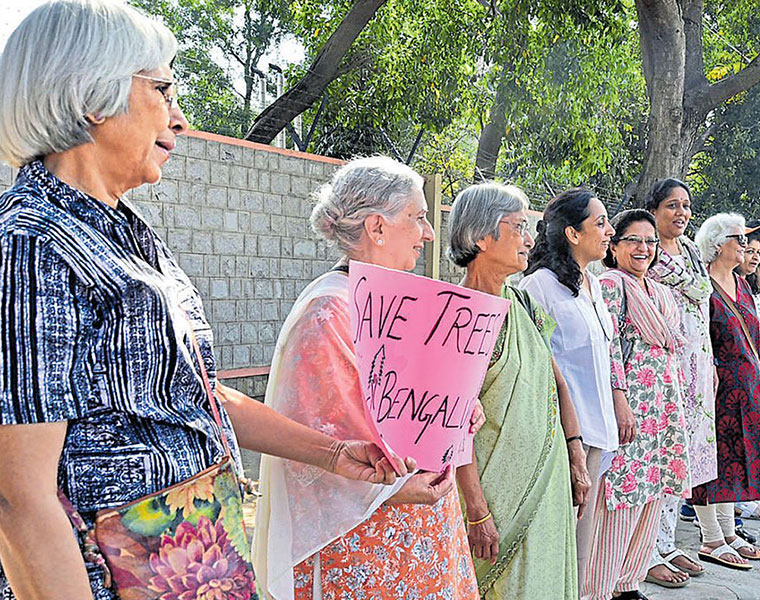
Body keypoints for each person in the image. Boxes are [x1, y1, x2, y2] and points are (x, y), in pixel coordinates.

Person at [0, 3, 410, 599]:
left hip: (195, 554)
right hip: (116, 573)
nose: (180, 117)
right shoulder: (33, 245)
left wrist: (333, 453)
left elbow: (192, 396)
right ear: (93, 97)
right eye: (162, 89)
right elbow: (17, 495)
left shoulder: (126, 234)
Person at [253, 157, 482, 600]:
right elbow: (312, 451)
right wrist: (396, 487)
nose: (429, 233)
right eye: (418, 218)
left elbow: (418, 407)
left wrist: (458, 411)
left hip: (423, 537)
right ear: (377, 228)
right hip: (363, 550)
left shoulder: (408, 301)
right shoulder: (330, 312)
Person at [448, 182, 591, 599]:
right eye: (517, 227)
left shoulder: (523, 304)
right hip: (491, 498)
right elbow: (452, 422)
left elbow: (557, 384)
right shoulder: (456, 316)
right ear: (480, 237)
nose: (530, 240)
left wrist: (575, 452)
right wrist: (476, 512)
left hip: (546, 484)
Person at [585, 209, 691, 600]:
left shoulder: (661, 291)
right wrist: (620, 400)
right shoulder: (610, 285)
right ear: (614, 246)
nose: (643, 248)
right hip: (632, 406)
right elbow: (609, 348)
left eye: (649, 241)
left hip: (663, 405)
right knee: (621, 498)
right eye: (632, 240)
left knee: (653, 494)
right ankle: (598, 588)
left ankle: (629, 582)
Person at [520, 187, 618, 587]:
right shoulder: (538, 288)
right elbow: (538, 368)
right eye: (600, 223)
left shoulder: (593, 285)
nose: (609, 231)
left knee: (582, 549)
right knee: (560, 546)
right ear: (573, 234)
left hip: (599, 433)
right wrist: (570, 441)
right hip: (566, 438)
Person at [644, 178, 717, 586]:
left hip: (697, 365)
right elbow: (698, 286)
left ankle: (668, 542)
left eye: (686, 206)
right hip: (662, 364)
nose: (682, 213)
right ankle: (647, 548)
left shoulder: (690, 249)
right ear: (655, 209)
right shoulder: (645, 248)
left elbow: (702, 297)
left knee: (682, 459)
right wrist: (695, 284)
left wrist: (711, 366)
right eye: (672, 205)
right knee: (659, 454)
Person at [691, 213, 760, 570]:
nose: (745, 244)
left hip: (746, 388)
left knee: (734, 461)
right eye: (738, 237)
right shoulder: (702, 286)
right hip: (715, 389)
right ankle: (710, 536)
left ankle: (729, 531)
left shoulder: (742, 284)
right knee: (710, 462)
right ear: (718, 245)